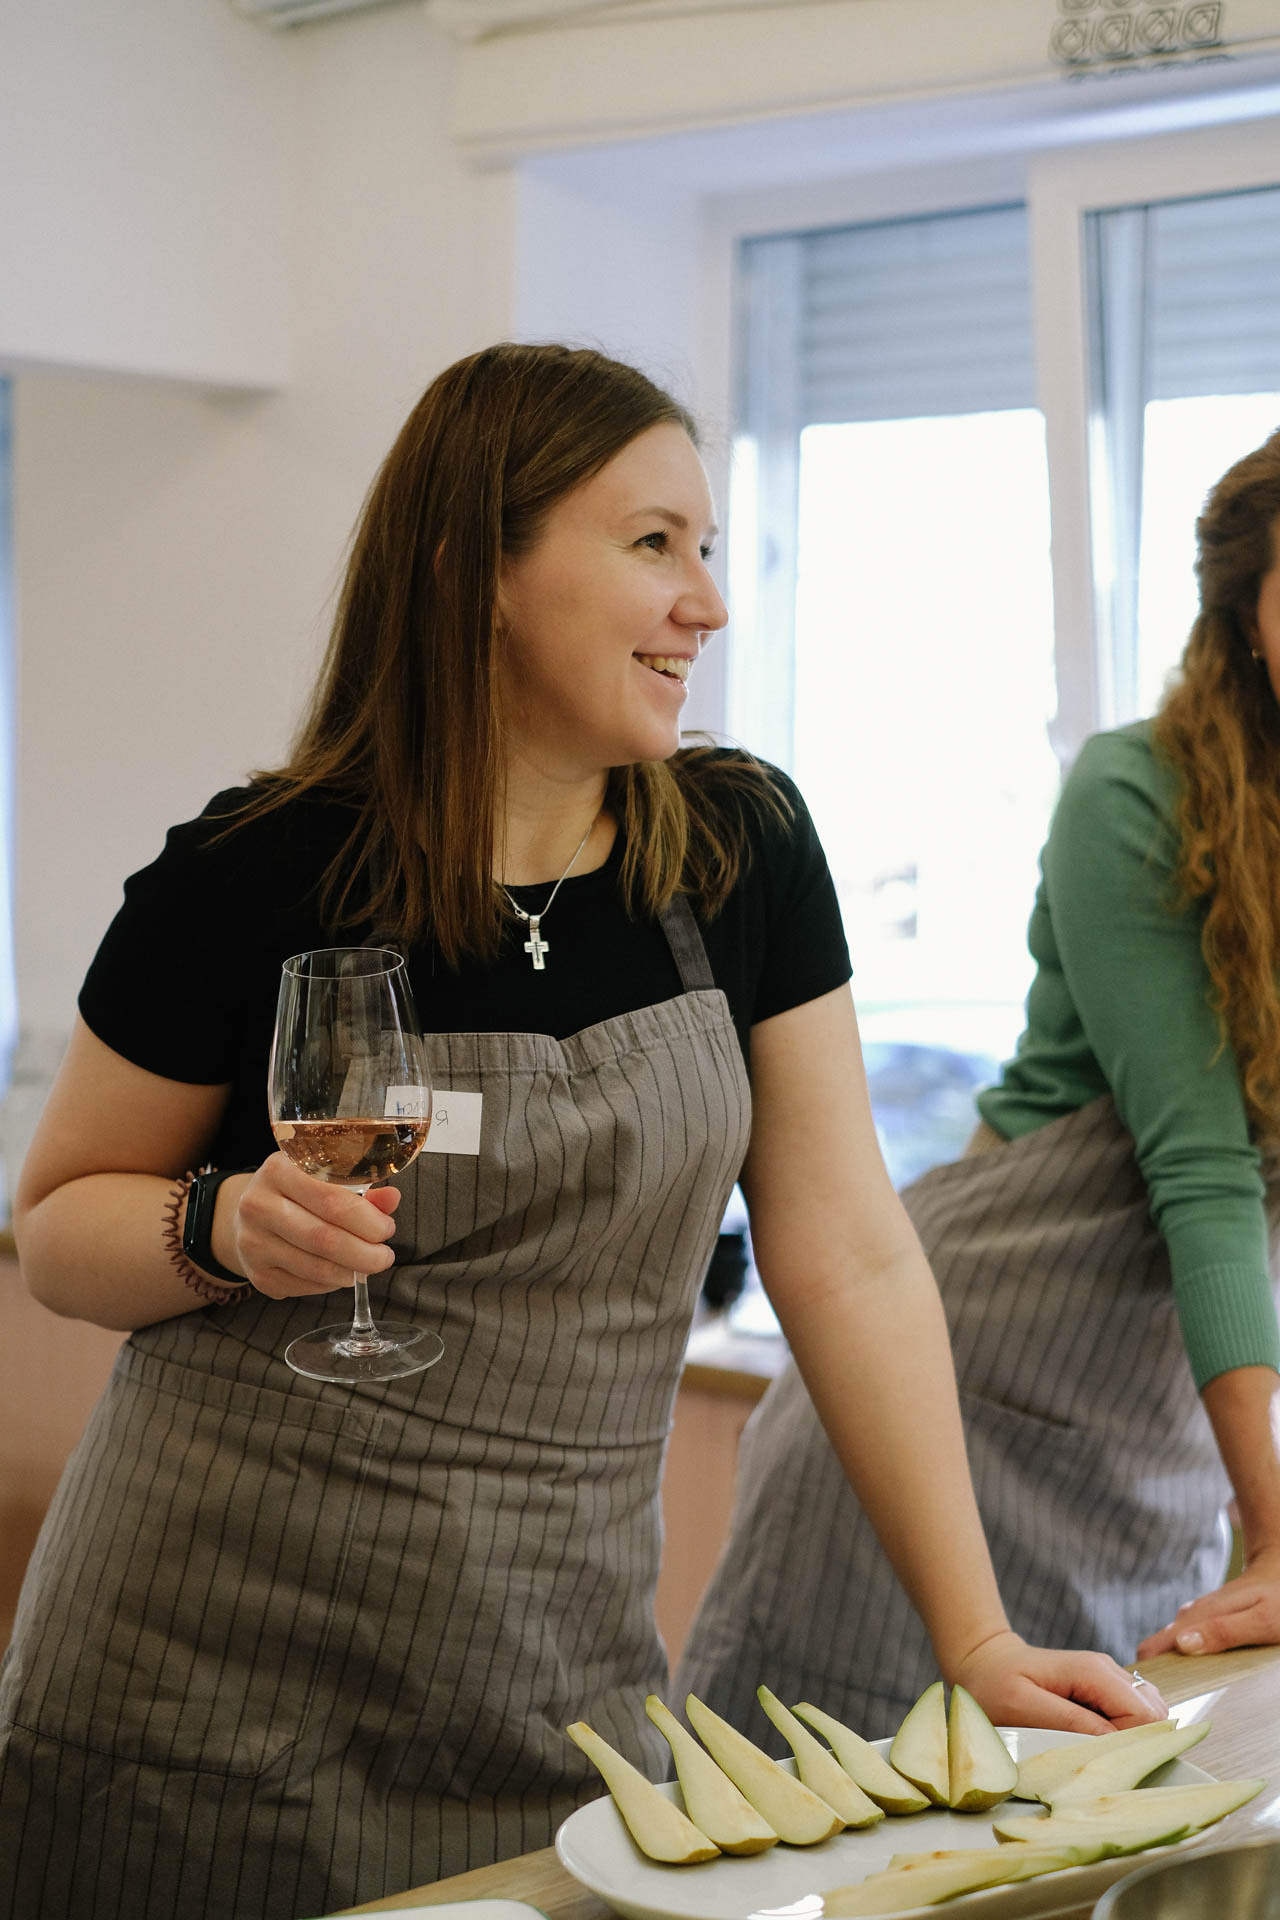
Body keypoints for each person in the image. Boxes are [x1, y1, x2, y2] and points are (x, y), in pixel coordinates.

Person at [0, 343, 1159, 1920]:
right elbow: (59, 1223)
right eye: (651, 545)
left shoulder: (740, 850)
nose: (707, 600)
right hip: (198, 1689)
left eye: (707, 546)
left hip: (551, 1686)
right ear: (477, 568)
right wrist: (217, 1230)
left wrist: (977, 1641)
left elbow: (852, 1258)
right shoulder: (250, 873)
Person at [677, 426, 1280, 1747]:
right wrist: (1276, 1521)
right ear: (1245, 612)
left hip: (1148, 1427)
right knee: (816, 1816)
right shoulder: (1139, 794)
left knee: (1080, 1833)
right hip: (953, 1375)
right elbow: (1204, 1168)